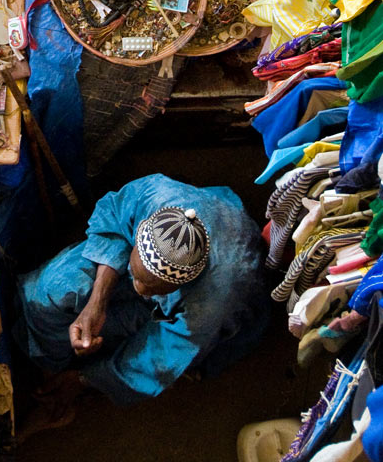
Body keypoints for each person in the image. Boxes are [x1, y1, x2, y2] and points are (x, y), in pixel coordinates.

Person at [15, 173, 268, 429]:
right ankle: (50, 370)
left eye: (153, 287)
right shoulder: (155, 196)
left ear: (181, 284)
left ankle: (68, 390)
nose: (138, 289)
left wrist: (81, 380)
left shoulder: (210, 303)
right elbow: (114, 215)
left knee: (146, 361)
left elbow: (160, 357)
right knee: (55, 286)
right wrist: (97, 302)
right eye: (137, 276)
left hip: (210, 291)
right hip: (162, 252)